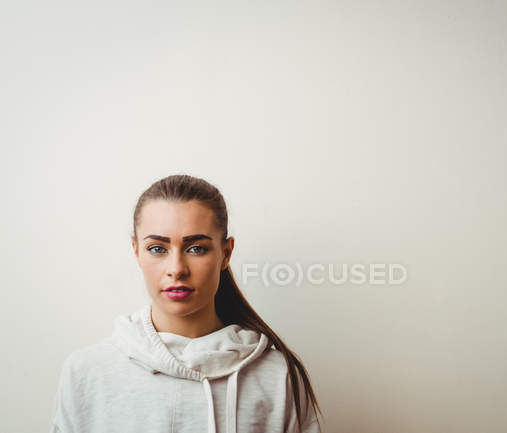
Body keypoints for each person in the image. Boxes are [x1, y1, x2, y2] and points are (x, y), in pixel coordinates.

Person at [49, 174, 323, 433]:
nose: (177, 269)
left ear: (225, 253)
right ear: (136, 251)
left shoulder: (277, 376)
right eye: (158, 248)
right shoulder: (86, 373)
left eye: (196, 248)